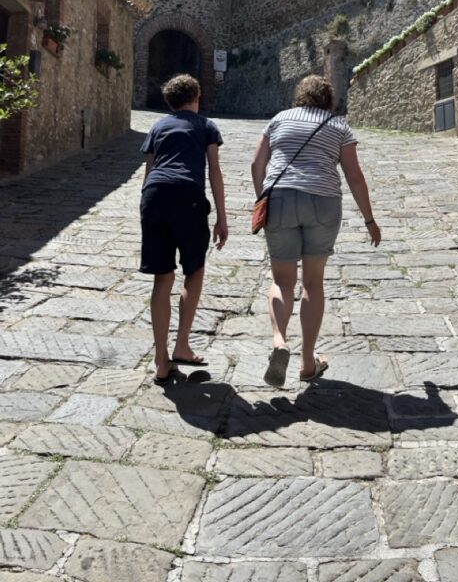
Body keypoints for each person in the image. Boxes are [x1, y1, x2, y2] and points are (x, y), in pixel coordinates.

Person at [251, 75, 381, 387]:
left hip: (280, 198)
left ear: (300, 96)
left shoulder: (279, 119)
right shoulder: (339, 126)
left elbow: (257, 164)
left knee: (282, 280)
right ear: (328, 99)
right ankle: (308, 362)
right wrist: (369, 219)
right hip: (323, 202)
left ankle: (280, 342)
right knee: (313, 283)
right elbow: (354, 176)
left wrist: (263, 199)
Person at [140, 74, 228, 384]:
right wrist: (222, 217)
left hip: (154, 197)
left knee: (162, 278)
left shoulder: (157, 127)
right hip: (187, 197)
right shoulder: (206, 126)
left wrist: (147, 209)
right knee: (194, 270)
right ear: (197, 98)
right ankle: (182, 345)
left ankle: (161, 362)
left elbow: (149, 171)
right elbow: (214, 171)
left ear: (169, 102)